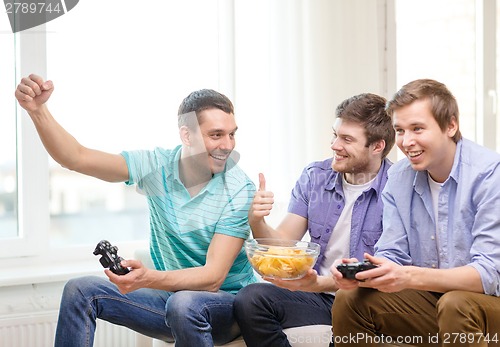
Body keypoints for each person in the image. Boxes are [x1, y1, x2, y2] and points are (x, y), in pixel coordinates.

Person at [15, 74, 257, 347]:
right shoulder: (156, 166)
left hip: (227, 309)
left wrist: (150, 278)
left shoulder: (239, 188)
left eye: (232, 134)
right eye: (216, 135)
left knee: (184, 302)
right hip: (172, 302)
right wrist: (38, 111)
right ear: (186, 135)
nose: (227, 145)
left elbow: (213, 278)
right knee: (80, 290)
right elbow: (76, 157)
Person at [330, 79, 500, 347]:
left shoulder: (490, 174)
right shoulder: (399, 177)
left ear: (450, 126)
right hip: (437, 304)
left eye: (417, 128)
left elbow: (489, 274)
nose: (407, 142)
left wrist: (409, 276)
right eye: (399, 130)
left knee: (455, 303)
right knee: (350, 300)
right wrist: (364, 273)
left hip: (487, 307)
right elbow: (392, 253)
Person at [234, 93, 396, 347]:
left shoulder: (399, 189)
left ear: (377, 146)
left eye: (347, 139)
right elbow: (284, 244)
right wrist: (257, 221)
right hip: (319, 296)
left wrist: (319, 283)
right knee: (250, 299)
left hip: (365, 300)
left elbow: (388, 271)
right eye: (335, 135)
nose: (334, 145)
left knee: (349, 304)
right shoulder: (315, 177)